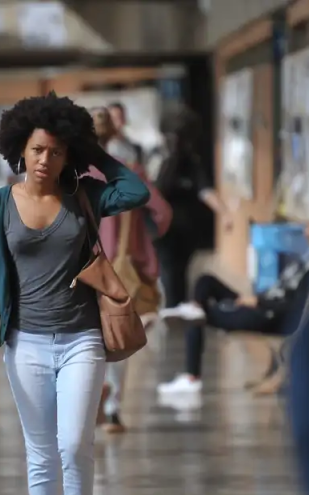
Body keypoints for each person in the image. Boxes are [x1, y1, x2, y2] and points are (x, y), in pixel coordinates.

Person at [0, 93, 150, 495]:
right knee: (41, 452)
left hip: (82, 338)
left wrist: (92, 153)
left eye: (57, 151)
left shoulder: (82, 197)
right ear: (19, 151)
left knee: (75, 443)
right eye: (39, 150)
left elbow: (134, 191)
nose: (46, 160)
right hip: (24, 344)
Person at [157, 210, 309, 400]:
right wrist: (254, 300)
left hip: (270, 316)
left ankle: (191, 376)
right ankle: (195, 307)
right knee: (206, 281)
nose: (306, 228)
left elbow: (294, 305)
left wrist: (258, 302)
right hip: (264, 307)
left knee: (196, 318)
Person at [89, 107, 173, 432]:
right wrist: (144, 240)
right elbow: (163, 211)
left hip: (84, 267)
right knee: (117, 338)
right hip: (121, 267)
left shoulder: (78, 175)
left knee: (89, 337)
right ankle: (112, 409)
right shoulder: (131, 171)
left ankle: (91, 396)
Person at [152, 108, 235, 307]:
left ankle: (177, 309)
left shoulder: (191, 162)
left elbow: (205, 190)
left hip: (185, 231)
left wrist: (224, 212)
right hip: (164, 231)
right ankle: (174, 309)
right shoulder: (157, 160)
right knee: (171, 274)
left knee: (179, 273)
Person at [106, 102, 145, 166]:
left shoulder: (131, 145)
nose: (118, 122)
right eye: (115, 118)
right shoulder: (105, 145)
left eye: (121, 117)